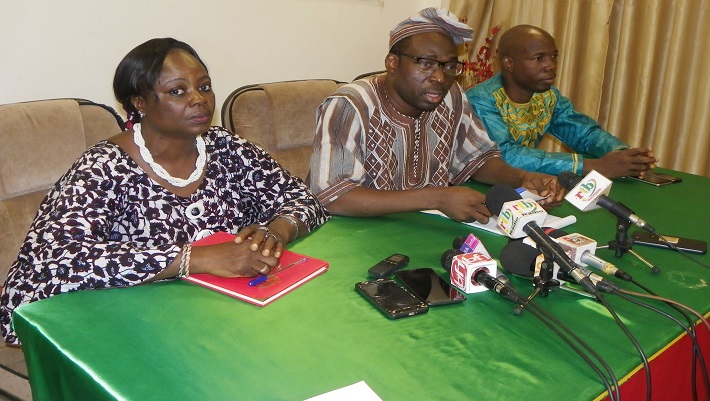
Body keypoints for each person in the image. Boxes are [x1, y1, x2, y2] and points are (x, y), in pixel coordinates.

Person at [0, 38, 330, 345]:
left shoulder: (228, 147)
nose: (199, 99)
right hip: (134, 325)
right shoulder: (105, 167)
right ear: (140, 103)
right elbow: (55, 259)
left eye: (204, 86)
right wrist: (197, 258)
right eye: (177, 91)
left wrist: (275, 232)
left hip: (228, 311)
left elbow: (303, 199)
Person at [308, 8, 564, 223]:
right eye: (426, 63)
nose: (440, 77)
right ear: (393, 63)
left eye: (449, 66)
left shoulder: (451, 96)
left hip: (423, 227)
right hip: (353, 235)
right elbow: (333, 195)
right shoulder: (351, 104)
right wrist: (437, 198)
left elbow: (478, 159)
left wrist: (523, 177)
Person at [466, 24, 658, 178]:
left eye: (554, 56)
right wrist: (592, 166)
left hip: (527, 185)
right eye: (539, 58)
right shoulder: (481, 99)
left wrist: (623, 154)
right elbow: (506, 156)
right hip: (479, 189)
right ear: (509, 63)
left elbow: (584, 134)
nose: (551, 65)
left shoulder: (547, 97)